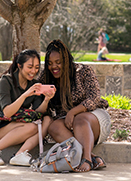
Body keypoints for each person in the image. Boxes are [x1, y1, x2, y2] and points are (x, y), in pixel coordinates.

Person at [41, 39, 111, 172]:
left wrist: (72, 112)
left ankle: (86, 160)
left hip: (94, 118)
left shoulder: (83, 71)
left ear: (66, 60)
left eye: (58, 62)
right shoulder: (47, 77)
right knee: (54, 127)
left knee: (80, 119)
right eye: (50, 63)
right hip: (67, 123)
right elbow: (35, 91)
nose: (53, 67)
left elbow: (94, 98)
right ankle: (92, 156)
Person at [0, 49, 54, 167]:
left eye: (36, 67)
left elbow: (38, 112)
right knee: (33, 127)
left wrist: (46, 99)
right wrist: (26, 94)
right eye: (30, 67)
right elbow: (7, 112)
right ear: (19, 66)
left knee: (47, 120)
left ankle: (20, 154)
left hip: (17, 123)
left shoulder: (33, 84)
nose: (34, 71)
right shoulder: (5, 81)